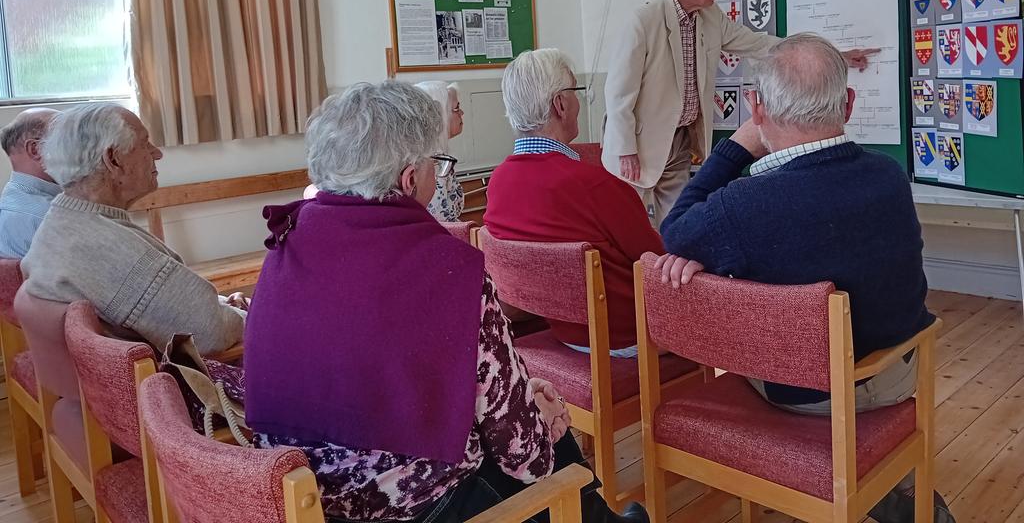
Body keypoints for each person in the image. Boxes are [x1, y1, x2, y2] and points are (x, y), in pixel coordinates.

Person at [244, 81, 646, 523]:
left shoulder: (286, 243)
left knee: (523, 417)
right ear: (410, 179)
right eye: (436, 164)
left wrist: (519, 406)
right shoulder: (448, 269)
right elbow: (524, 458)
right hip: (417, 509)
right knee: (550, 442)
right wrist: (538, 417)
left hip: (304, 498)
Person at [656, 34, 951, 523]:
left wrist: (736, 147)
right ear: (849, 103)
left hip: (802, 395)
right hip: (898, 372)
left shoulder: (744, 205)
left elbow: (675, 232)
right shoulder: (890, 175)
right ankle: (888, 485)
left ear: (756, 106)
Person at [602, 0, 878, 225]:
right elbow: (618, 93)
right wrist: (626, 149)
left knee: (675, 223)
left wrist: (834, 56)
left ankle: (660, 270)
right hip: (638, 146)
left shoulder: (711, 18)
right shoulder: (643, 22)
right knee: (625, 226)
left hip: (680, 141)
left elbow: (758, 44)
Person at [21, 104, 244, 356]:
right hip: (167, 387)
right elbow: (210, 333)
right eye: (145, 143)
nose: (157, 154)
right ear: (113, 159)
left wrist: (225, 305)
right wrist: (248, 312)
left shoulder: (61, 221)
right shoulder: (106, 249)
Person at [485, 49, 663, 357]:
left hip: (563, 332)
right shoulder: (595, 185)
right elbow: (658, 263)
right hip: (629, 339)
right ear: (561, 104)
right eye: (575, 91)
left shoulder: (498, 183)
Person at [0, 108, 59, 258]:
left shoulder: (12, 201)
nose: (80, 150)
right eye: (67, 140)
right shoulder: (47, 218)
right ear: (36, 149)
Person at [415, 80, 465, 222]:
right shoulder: (431, 164)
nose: (462, 113)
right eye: (456, 108)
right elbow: (442, 218)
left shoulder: (437, 156)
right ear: (439, 116)